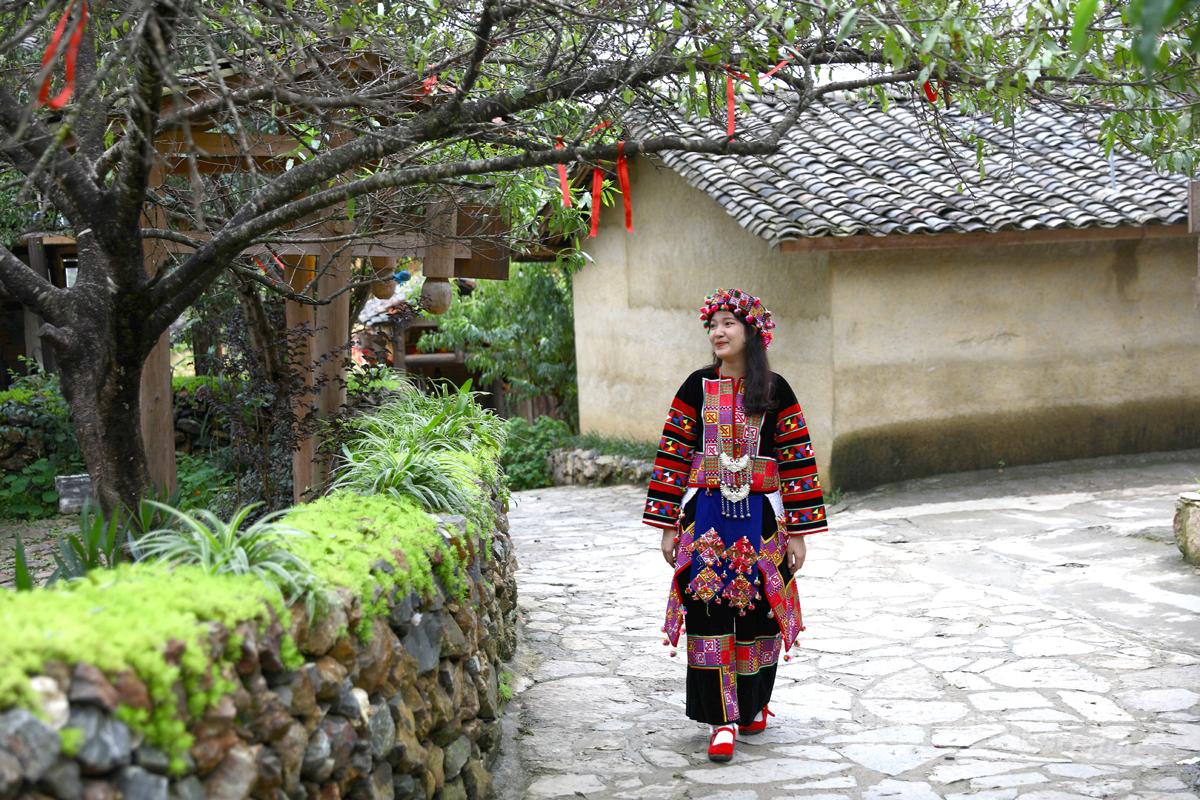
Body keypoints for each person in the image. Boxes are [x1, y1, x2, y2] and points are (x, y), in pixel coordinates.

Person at [643, 287, 828, 762]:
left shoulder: (776, 391)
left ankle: (754, 705)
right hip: (705, 521)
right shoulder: (694, 387)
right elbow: (672, 454)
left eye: (728, 322)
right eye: (713, 324)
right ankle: (721, 720)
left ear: (752, 332)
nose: (718, 332)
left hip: (759, 524)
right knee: (708, 612)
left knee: (758, 614)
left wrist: (800, 534)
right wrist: (668, 524)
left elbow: (797, 462)